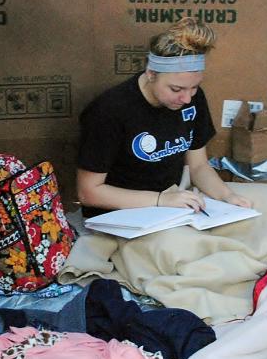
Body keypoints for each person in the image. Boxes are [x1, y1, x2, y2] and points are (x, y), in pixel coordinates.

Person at [77, 17, 252, 216]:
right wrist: (160, 200)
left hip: (172, 200)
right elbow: (88, 192)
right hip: (122, 212)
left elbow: (198, 166)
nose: (186, 98)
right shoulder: (108, 110)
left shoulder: (193, 99)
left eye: (194, 87)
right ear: (151, 74)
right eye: (176, 89)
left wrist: (227, 197)